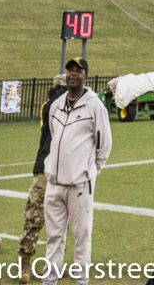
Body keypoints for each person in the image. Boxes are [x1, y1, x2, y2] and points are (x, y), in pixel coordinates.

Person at [42, 56, 112, 285]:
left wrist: (90, 170)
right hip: (54, 183)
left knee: (81, 237)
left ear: (85, 75)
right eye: (70, 70)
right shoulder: (56, 105)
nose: (73, 73)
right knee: (53, 238)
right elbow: (54, 137)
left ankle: (81, 281)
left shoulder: (94, 106)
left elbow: (104, 144)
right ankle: (49, 281)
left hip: (80, 185)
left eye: (78, 70)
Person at [18, 74, 68, 282]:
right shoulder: (50, 107)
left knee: (58, 222)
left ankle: (48, 265)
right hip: (48, 171)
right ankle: (24, 265)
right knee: (36, 218)